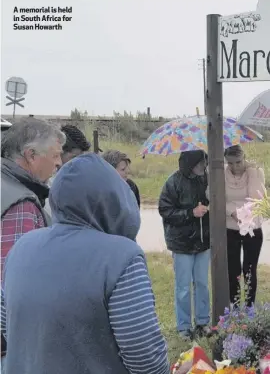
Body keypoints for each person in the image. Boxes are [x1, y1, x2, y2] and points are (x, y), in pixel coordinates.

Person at [3, 153, 169, 374]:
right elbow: (145, 357)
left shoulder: (22, 246)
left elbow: (6, 325)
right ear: (114, 199)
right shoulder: (122, 256)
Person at [1, 117, 66, 359]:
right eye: (56, 155)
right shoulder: (20, 205)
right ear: (31, 155)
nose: (59, 163)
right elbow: (14, 283)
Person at [159, 150, 211, 340]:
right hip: (181, 243)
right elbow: (165, 210)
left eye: (204, 163)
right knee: (183, 288)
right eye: (200, 164)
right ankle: (183, 327)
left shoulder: (206, 179)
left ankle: (203, 322)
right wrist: (191, 213)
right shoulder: (173, 182)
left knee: (202, 284)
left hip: (203, 241)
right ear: (190, 164)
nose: (203, 167)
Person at [224, 144, 266, 307]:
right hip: (230, 228)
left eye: (239, 162)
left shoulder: (255, 172)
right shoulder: (221, 174)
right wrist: (232, 212)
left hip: (252, 228)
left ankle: (249, 307)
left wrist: (252, 172)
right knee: (233, 270)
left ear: (244, 158)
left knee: (249, 270)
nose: (235, 167)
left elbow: (257, 197)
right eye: (231, 163)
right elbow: (216, 198)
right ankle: (234, 307)